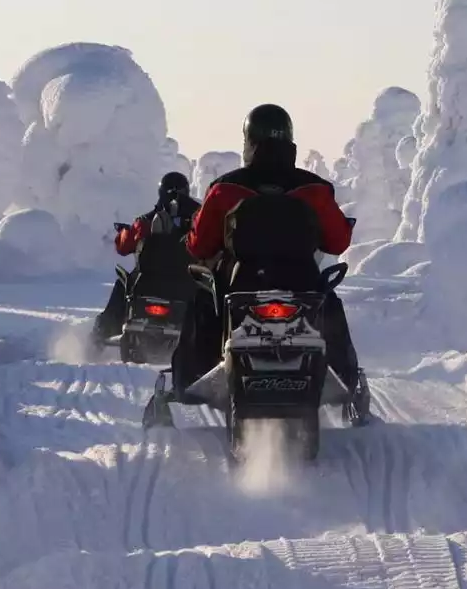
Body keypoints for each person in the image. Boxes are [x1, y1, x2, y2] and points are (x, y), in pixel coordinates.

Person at [170, 103, 359, 395]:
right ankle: (346, 379)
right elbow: (337, 242)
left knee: (203, 300)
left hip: (242, 282)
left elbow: (201, 244)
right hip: (302, 282)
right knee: (329, 302)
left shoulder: (224, 188)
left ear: (249, 142)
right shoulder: (316, 189)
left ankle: (189, 378)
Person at [91, 171, 200, 341]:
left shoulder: (145, 220)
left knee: (123, 284)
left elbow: (123, 247)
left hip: (148, 283)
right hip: (185, 285)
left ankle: (99, 337)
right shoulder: (197, 220)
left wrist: (125, 233)